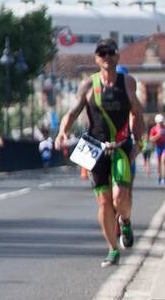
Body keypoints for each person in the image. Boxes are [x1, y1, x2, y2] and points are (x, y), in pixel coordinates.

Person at [55, 38, 145, 267]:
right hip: (94, 148)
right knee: (104, 202)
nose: (106, 56)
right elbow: (73, 112)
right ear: (96, 58)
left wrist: (139, 140)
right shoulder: (88, 85)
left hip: (121, 146)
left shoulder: (128, 83)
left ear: (117, 56)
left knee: (120, 197)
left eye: (110, 52)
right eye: (101, 53)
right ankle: (113, 248)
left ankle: (125, 221)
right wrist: (62, 132)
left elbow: (137, 112)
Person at [148, 113, 165, 185]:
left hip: (164, 146)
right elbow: (151, 139)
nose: (161, 124)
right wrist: (158, 136)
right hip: (158, 147)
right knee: (159, 163)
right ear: (156, 122)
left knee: (163, 161)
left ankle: (164, 177)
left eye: (162, 122)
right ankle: (159, 176)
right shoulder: (153, 129)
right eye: (159, 122)